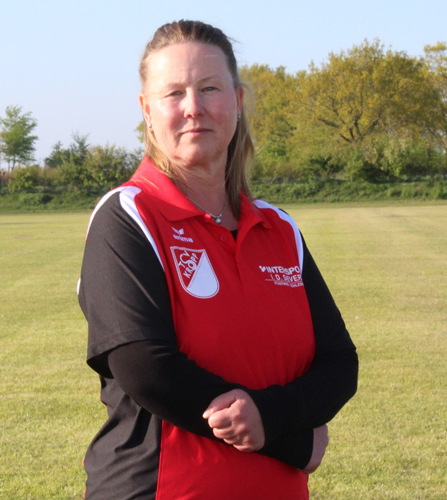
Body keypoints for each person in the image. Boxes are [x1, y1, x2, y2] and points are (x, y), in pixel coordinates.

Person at [78, 20, 358, 500]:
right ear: (147, 111)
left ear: (238, 101)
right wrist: (289, 440)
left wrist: (272, 415)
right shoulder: (128, 216)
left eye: (209, 88)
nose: (194, 107)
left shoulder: (279, 229)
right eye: (174, 93)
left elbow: (339, 364)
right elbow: (145, 367)